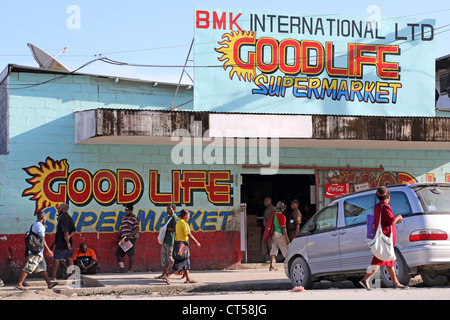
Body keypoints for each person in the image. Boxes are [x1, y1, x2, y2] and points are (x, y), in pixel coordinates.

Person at [359, 186, 408, 290]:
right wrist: (398, 217)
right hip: (386, 238)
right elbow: (390, 221)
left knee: (388, 260)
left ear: (377, 196)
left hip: (383, 237)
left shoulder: (377, 207)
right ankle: (366, 279)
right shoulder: (386, 207)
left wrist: (395, 220)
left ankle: (396, 282)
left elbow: (386, 221)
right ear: (388, 196)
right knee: (381, 259)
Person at [15, 211, 58, 290]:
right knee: (29, 267)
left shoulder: (33, 225)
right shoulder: (41, 226)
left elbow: (29, 237)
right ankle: (19, 284)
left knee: (42, 268)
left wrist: (27, 251)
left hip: (36, 251)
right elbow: (42, 240)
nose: (46, 219)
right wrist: (49, 250)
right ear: (42, 218)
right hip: (37, 252)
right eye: (45, 218)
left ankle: (49, 284)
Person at [162, 209, 201, 285]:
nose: (189, 217)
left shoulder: (178, 223)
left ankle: (188, 279)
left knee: (186, 261)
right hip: (182, 244)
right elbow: (189, 234)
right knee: (180, 261)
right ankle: (167, 275)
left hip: (178, 243)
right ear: (185, 216)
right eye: (189, 216)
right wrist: (197, 242)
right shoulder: (184, 224)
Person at [50, 203, 76, 280]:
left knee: (56, 259)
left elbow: (65, 232)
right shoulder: (70, 218)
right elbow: (73, 231)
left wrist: (67, 242)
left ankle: (53, 276)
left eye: (59, 209)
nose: (58, 210)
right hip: (68, 242)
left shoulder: (63, 218)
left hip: (62, 244)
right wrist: (69, 237)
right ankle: (73, 276)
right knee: (69, 259)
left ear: (64, 209)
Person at [263, 201, 290, 271]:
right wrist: (287, 238)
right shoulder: (281, 216)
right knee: (287, 250)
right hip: (280, 235)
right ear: (283, 209)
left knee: (273, 250)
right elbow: (283, 227)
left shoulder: (273, 214)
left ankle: (271, 266)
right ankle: (288, 265)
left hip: (273, 235)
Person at [155, 203, 179, 280]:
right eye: (167, 208)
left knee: (170, 258)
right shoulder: (169, 218)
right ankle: (164, 274)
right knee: (164, 258)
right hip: (166, 241)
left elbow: (177, 229)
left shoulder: (175, 218)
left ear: (174, 209)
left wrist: (167, 229)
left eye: (169, 208)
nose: (167, 210)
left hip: (170, 241)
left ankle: (177, 271)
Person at [116, 204, 140, 273]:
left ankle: (130, 269)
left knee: (130, 254)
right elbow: (121, 229)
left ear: (131, 211)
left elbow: (137, 229)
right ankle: (122, 268)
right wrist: (118, 238)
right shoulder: (124, 219)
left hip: (130, 239)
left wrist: (129, 236)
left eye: (128, 210)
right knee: (118, 253)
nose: (126, 212)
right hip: (124, 239)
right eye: (126, 210)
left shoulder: (134, 219)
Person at [260, 197, 275, 262]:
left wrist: (272, 229)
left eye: (266, 201)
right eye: (264, 201)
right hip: (266, 229)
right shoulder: (267, 209)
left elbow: (274, 220)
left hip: (270, 229)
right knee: (264, 242)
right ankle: (264, 257)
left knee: (270, 244)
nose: (265, 202)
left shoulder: (273, 209)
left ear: (270, 201)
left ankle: (272, 258)